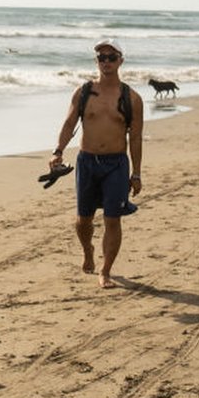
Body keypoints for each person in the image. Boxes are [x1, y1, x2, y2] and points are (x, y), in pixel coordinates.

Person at [50, 38, 143, 289]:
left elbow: (135, 137)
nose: (106, 62)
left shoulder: (131, 97)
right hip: (87, 162)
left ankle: (106, 270)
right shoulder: (83, 92)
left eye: (112, 57)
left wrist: (136, 173)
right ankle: (88, 251)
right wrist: (57, 151)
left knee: (113, 219)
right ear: (96, 61)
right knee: (83, 220)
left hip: (116, 164)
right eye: (102, 57)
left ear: (121, 61)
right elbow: (69, 124)